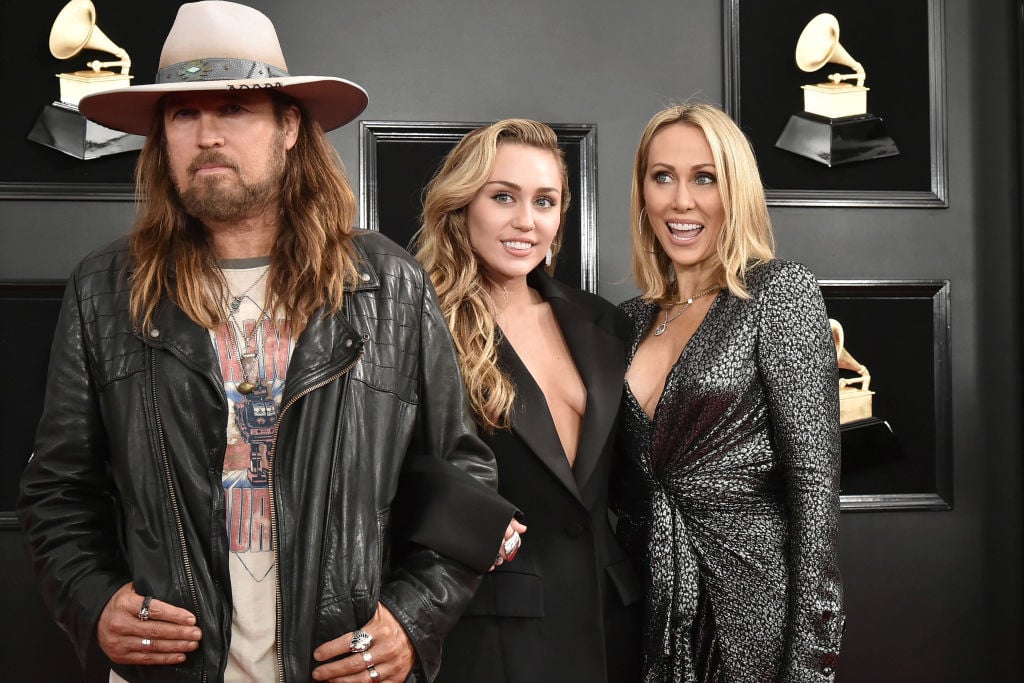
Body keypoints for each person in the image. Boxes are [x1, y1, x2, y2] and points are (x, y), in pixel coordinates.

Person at [16, 3, 516, 682]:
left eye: (234, 108)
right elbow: (57, 491)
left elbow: (462, 480)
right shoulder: (106, 292)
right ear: (162, 137)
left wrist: (412, 618)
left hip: (336, 667)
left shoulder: (386, 285)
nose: (208, 134)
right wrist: (94, 601)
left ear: (288, 127)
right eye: (183, 114)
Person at [615, 102, 845, 681]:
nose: (680, 201)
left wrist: (809, 667)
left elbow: (815, 498)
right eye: (661, 176)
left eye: (704, 178)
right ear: (643, 192)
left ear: (735, 190)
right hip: (643, 605)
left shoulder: (778, 293)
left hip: (749, 611)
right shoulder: (625, 322)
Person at [413, 119, 643, 682]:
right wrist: (466, 521)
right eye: (503, 197)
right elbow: (380, 475)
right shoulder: (420, 325)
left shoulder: (604, 322)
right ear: (461, 204)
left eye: (545, 201)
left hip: (612, 625)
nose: (526, 221)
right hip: (494, 635)